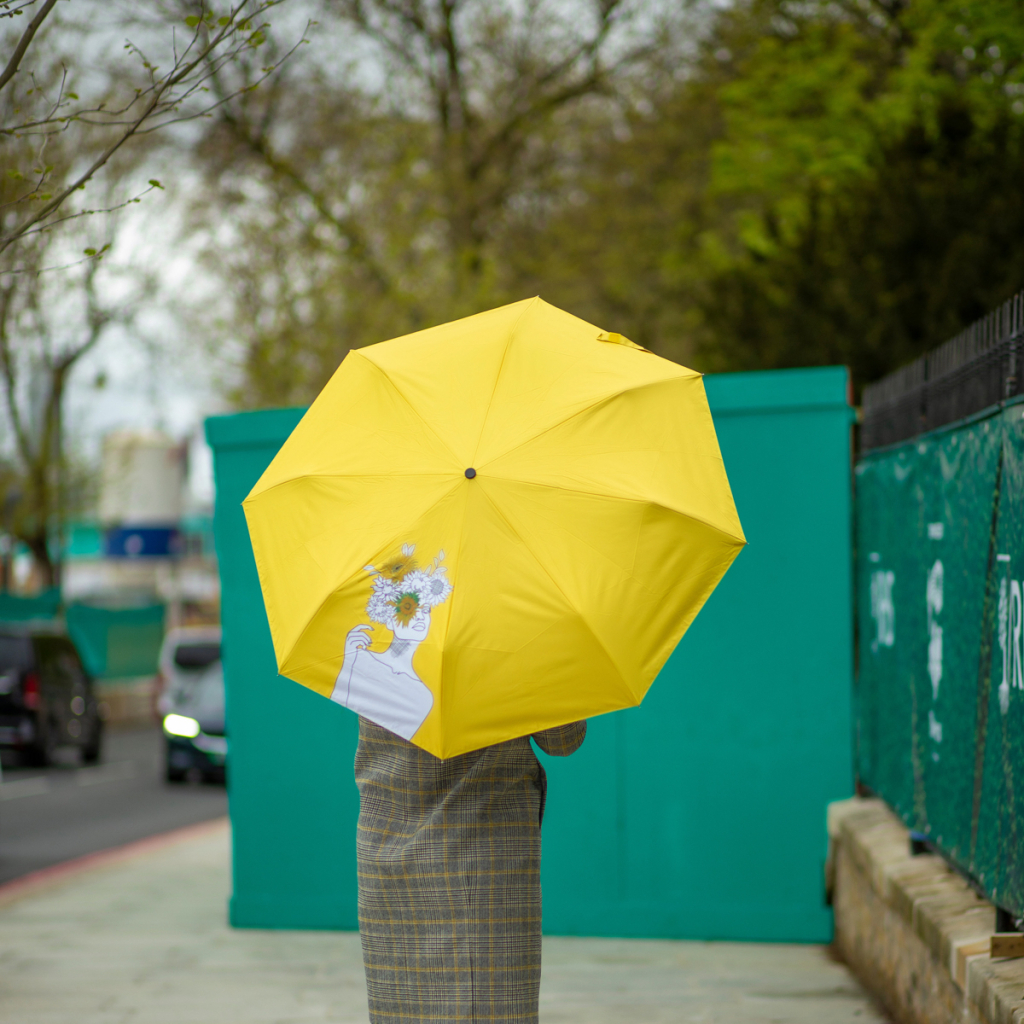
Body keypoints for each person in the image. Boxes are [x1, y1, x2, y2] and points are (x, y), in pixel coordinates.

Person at [355, 715, 587, 1024]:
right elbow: (563, 738)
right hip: (480, 857)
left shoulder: (375, 665)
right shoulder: (510, 663)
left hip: (385, 845)